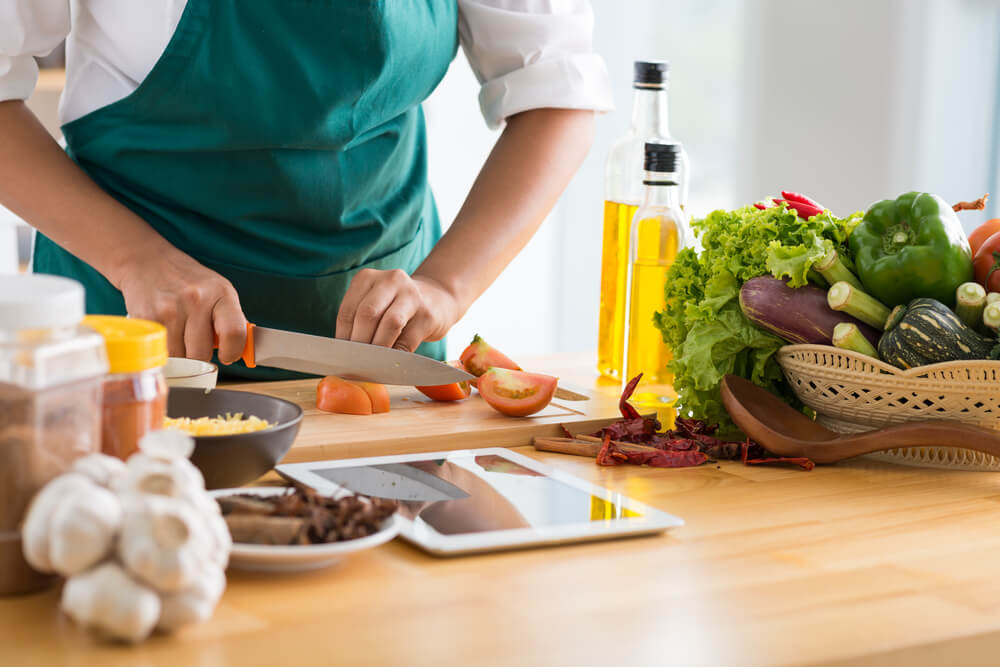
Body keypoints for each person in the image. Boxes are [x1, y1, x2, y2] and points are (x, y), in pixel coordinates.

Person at [0, 0, 613, 378]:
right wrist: (137, 261)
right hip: (137, 334)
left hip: (377, 358)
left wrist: (445, 285)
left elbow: (554, 95)